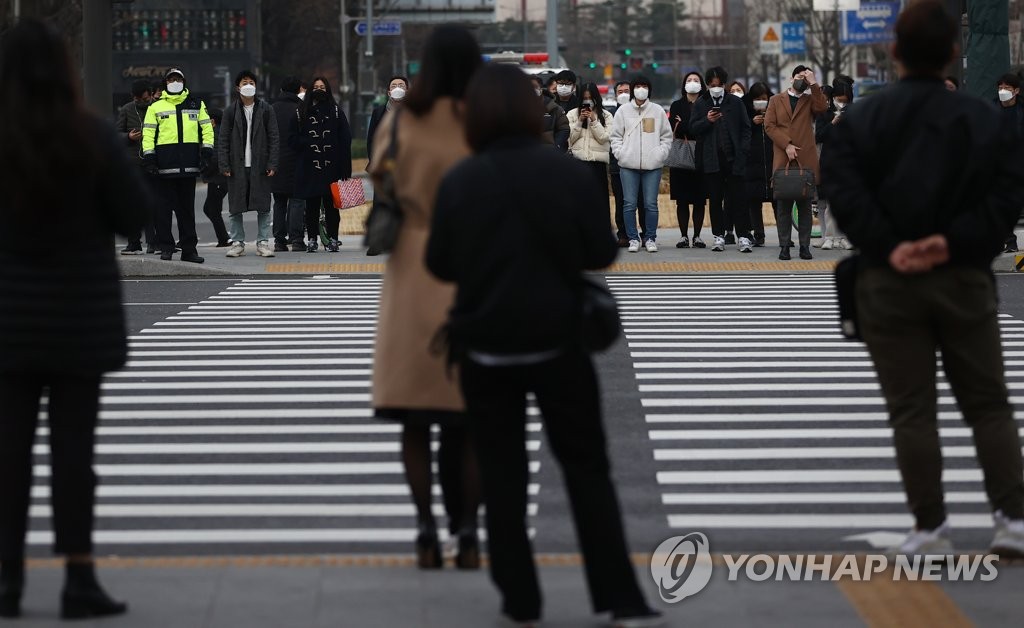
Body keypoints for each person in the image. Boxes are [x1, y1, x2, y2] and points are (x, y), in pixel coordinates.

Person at [426, 63, 662, 628]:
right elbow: (601, 252)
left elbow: (438, 262)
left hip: (487, 348)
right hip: (560, 342)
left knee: (503, 476)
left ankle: (520, 598)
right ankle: (618, 596)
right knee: (587, 471)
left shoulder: (461, 179)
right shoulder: (561, 174)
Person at [821, 0, 1024, 559]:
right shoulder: (983, 118)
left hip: (888, 279)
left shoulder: (862, 119)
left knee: (912, 409)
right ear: (953, 54)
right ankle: (1011, 518)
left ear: (894, 52)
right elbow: (1008, 193)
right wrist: (951, 242)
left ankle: (930, 527)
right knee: (988, 404)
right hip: (963, 276)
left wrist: (892, 245)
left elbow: (842, 190)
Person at [0, 19, 151, 620]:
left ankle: (8, 578)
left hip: (6, 320)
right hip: (75, 320)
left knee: (8, 453)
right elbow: (133, 215)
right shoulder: (90, 135)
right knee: (73, 454)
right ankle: (78, 578)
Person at [368, 24, 483, 571]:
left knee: (415, 413)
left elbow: (378, 176)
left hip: (413, 265)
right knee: (470, 414)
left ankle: (425, 530)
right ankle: (468, 533)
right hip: (475, 266)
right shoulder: (482, 119)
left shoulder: (402, 118)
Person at [141, 67, 214, 263]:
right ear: (165, 82)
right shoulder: (155, 107)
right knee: (163, 212)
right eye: (171, 79)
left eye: (178, 79)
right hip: (164, 168)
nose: (175, 82)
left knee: (187, 213)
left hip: (189, 168)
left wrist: (206, 153)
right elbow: (148, 135)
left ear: (184, 81)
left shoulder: (196, 104)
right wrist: (149, 158)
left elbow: (207, 130)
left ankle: (189, 250)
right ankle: (166, 247)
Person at [764, 64, 829, 261]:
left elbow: (823, 108)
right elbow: (769, 125)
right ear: (791, 79)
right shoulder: (776, 100)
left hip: (805, 158)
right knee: (783, 205)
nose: (802, 80)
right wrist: (787, 145)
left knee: (805, 206)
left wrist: (814, 84)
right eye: (799, 76)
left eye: (805, 77)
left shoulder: (810, 100)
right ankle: (784, 246)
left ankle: (804, 246)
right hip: (783, 156)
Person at [689, 66, 753, 253]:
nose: (716, 88)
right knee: (715, 200)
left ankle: (743, 236)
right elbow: (693, 128)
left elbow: (746, 128)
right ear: (707, 85)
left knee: (738, 199)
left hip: (734, 159)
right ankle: (719, 236)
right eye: (712, 85)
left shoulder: (735, 102)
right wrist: (707, 120)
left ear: (724, 84)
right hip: (712, 159)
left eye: (719, 85)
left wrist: (743, 150)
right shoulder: (702, 103)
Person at [218, 69, 280, 258]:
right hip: (237, 166)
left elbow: (274, 138)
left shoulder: (266, 109)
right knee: (235, 206)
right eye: (244, 82)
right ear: (238, 87)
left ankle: (262, 242)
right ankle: (238, 242)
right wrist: (224, 165)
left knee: (263, 205)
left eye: (251, 82)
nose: (248, 86)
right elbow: (223, 140)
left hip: (259, 165)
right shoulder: (230, 111)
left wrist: (272, 163)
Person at [610, 75, 672, 253]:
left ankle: (650, 237)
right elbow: (615, 137)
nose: (641, 89)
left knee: (650, 203)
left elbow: (666, 137)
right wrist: (621, 154)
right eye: (637, 86)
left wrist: (660, 155)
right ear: (633, 89)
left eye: (644, 86)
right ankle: (632, 238)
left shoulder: (657, 110)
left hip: (653, 166)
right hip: (628, 165)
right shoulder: (623, 111)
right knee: (629, 203)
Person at [290, 77, 352, 253]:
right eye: (316, 87)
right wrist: (307, 142)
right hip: (309, 168)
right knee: (311, 207)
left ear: (328, 90)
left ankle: (333, 238)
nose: (319, 89)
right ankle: (312, 239)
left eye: (322, 87)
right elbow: (291, 139)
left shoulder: (336, 111)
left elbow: (345, 139)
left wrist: (345, 167)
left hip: (331, 168)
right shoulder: (300, 112)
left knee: (332, 207)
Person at [365, 76, 409, 256]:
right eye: (394, 85)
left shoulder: (414, 112)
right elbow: (372, 139)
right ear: (388, 92)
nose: (398, 88)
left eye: (401, 85)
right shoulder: (378, 112)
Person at [116, 78, 156, 255]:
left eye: (146, 99)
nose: (142, 102)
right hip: (133, 163)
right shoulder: (127, 109)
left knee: (154, 204)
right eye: (138, 99)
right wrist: (128, 137)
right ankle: (134, 243)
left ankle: (154, 242)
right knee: (133, 203)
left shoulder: (157, 107)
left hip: (153, 160)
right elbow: (116, 134)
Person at [814, 79, 854, 251]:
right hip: (829, 161)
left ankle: (844, 236)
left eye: (845, 100)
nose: (841, 103)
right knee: (829, 203)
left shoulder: (854, 113)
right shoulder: (825, 113)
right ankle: (829, 236)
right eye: (839, 98)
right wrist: (833, 123)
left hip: (848, 162)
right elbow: (819, 136)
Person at [669, 72, 708, 248]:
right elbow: (675, 127)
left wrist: (688, 124)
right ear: (684, 84)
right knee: (682, 199)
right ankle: (684, 235)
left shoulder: (706, 103)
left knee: (700, 198)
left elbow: (704, 127)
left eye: (696, 80)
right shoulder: (677, 104)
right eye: (689, 80)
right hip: (682, 155)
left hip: (702, 154)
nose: (692, 83)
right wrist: (694, 125)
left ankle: (697, 235)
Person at [271, 76, 307, 252]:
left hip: (276, 162)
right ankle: (297, 240)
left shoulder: (271, 109)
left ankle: (279, 241)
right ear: (298, 90)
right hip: (297, 161)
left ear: (281, 90)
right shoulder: (301, 109)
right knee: (297, 201)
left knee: (279, 202)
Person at [607, 80, 646, 246]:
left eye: (626, 91)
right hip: (618, 164)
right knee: (621, 201)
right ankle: (623, 234)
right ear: (615, 95)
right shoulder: (610, 114)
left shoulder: (640, 111)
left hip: (640, 164)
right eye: (620, 91)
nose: (623, 94)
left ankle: (646, 233)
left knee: (642, 201)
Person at [567, 82, 613, 207]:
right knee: (578, 200)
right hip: (578, 162)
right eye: (585, 98)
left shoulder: (606, 116)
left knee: (600, 200)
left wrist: (594, 120)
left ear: (596, 98)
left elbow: (604, 138)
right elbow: (569, 139)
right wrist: (580, 121)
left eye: (590, 98)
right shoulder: (572, 114)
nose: (588, 102)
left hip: (597, 163)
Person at [742, 82, 775, 247]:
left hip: (772, 162)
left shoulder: (775, 110)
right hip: (752, 163)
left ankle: (785, 235)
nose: (762, 101)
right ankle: (759, 235)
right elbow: (740, 131)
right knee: (754, 202)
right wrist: (751, 123)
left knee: (778, 201)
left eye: (764, 98)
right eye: (757, 99)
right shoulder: (745, 111)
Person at [995, 73, 1024, 253]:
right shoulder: (989, 109)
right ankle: (1009, 242)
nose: (1003, 92)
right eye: (1000, 88)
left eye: (1007, 89)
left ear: (1016, 91)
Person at [202, 107, 230, 247]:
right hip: (219, 177)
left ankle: (224, 238)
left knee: (211, 209)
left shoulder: (213, 133)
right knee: (211, 208)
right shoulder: (222, 131)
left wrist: (205, 169)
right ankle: (224, 238)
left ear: (212, 121)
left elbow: (215, 157)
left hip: (218, 177)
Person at [536, 76, 570, 152]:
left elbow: (564, 129)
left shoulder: (554, 108)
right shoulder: (519, 109)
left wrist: (556, 147)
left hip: (548, 153)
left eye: (535, 87)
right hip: (526, 154)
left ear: (541, 89)